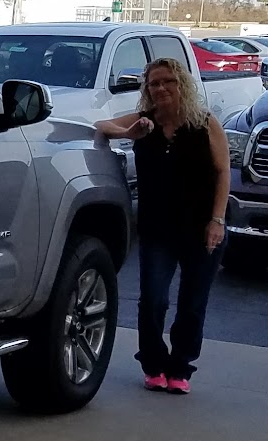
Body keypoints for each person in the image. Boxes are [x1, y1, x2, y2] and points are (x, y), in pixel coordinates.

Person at [94, 58, 231, 394]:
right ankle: (154, 364)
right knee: (153, 300)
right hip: (158, 229)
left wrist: (217, 220)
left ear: (182, 84)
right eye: (154, 83)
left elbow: (223, 172)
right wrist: (129, 133)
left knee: (192, 303)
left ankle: (181, 368)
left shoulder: (204, 123)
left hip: (201, 227)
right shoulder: (145, 122)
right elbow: (101, 125)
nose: (161, 88)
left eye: (168, 81)